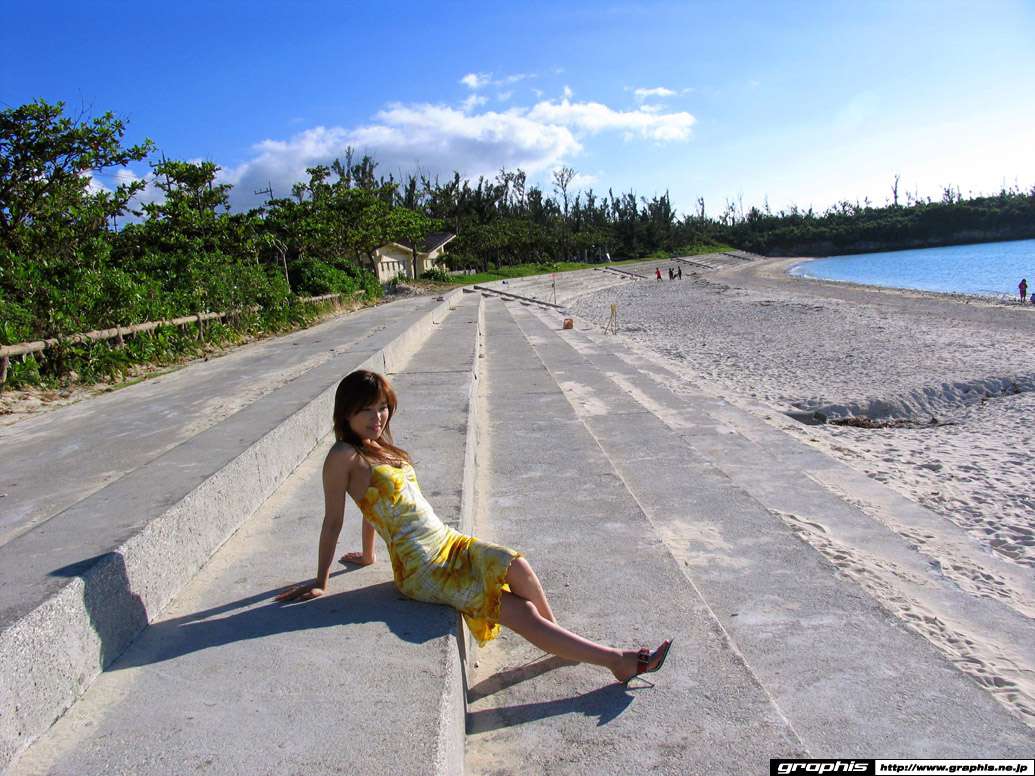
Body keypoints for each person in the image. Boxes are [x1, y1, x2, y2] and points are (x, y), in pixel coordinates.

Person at [276, 370, 673, 684]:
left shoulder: (378, 445)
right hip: (423, 567)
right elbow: (334, 519)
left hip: (446, 541)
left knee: (516, 564)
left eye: (382, 407)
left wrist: (368, 555)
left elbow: (377, 504)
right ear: (346, 412)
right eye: (366, 409)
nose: (377, 417)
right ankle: (616, 661)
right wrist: (321, 580)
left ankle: (561, 642)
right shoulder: (342, 455)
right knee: (514, 608)